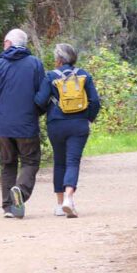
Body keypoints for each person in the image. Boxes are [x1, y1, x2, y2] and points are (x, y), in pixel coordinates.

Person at [0, 28, 45, 219]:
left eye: (4, 41)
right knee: (31, 161)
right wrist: (37, 111)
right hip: (27, 124)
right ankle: (20, 191)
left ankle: (8, 207)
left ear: (9, 43)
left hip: (4, 126)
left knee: (8, 163)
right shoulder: (35, 64)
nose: (3, 45)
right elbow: (42, 93)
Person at [34, 43, 100, 218]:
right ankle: (69, 199)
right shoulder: (84, 75)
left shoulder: (51, 76)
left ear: (58, 59)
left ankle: (59, 204)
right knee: (73, 161)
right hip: (79, 124)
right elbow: (95, 101)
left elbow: (40, 101)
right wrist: (88, 118)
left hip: (56, 124)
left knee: (60, 162)